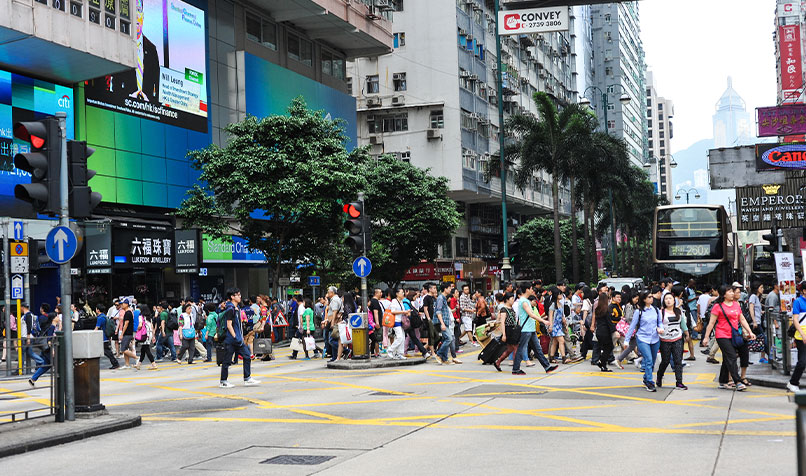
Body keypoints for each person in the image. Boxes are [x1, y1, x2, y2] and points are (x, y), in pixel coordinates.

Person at [702, 284, 756, 391]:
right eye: (730, 292)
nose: (733, 293)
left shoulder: (736, 304)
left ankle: (723, 381)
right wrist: (706, 337)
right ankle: (737, 381)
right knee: (732, 356)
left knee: (727, 358)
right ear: (724, 294)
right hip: (722, 335)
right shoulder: (718, 306)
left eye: (732, 291)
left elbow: (742, 319)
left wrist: (750, 332)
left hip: (734, 334)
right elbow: (711, 323)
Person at [219, 288, 260, 388]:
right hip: (232, 339)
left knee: (247, 356)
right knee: (227, 361)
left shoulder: (236, 308)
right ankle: (223, 381)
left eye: (239, 294)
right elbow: (229, 325)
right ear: (232, 297)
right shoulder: (230, 309)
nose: (239, 296)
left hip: (237, 339)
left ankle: (247, 378)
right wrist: (235, 336)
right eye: (237, 295)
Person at [512, 284, 557, 375]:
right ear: (527, 289)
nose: (532, 290)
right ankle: (515, 369)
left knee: (538, 349)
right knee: (521, 349)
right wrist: (543, 321)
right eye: (531, 289)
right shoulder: (523, 301)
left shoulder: (526, 301)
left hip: (530, 329)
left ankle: (547, 367)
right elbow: (531, 314)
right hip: (526, 329)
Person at [625, 290, 664, 392]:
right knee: (648, 359)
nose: (651, 298)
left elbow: (660, 322)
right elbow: (632, 326)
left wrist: (660, 328)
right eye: (649, 297)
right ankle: (650, 382)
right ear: (644, 299)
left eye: (652, 296)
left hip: (655, 338)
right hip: (642, 338)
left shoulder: (656, 310)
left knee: (652, 361)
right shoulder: (639, 312)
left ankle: (646, 378)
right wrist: (626, 340)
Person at [657, 293, 688, 390]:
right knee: (665, 361)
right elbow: (657, 324)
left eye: (670, 298)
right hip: (665, 339)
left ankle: (679, 382)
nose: (668, 300)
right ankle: (659, 377)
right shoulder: (661, 312)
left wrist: (687, 334)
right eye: (666, 299)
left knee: (678, 361)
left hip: (677, 339)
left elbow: (682, 324)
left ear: (674, 301)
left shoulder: (678, 311)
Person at [493, 293, 520, 372]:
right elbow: (502, 322)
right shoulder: (504, 309)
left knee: (510, 349)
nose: (513, 301)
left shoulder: (511, 308)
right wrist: (504, 335)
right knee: (515, 348)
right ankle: (516, 367)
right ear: (507, 300)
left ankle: (498, 362)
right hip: (508, 330)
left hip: (513, 329)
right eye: (511, 299)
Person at [787, 281, 806, 393]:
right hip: (801, 336)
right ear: (804, 291)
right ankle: (793, 382)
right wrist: (803, 334)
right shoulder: (798, 302)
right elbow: (795, 320)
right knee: (802, 362)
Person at [591, 292, 616, 372]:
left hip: (599, 331)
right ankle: (602, 362)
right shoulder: (607, 310)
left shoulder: (597, 309)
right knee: (609, 347)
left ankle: (602, 363)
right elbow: (609, 322)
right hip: (605, 331)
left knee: (605, 348)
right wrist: (614, 330)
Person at [434, 283, 455, 365]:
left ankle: (445, 358)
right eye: (449, 288)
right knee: (449, 338)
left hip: (445, 322)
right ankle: (439, 354)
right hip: (441, 322)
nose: (450, 289)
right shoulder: (440, 298)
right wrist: (442, 323)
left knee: (445, 339)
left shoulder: (443, 298)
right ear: (445, 289)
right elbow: (438, 311)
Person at [387, 288, 411, 360]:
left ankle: (399, 354)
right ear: (397, 294)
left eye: (403, 292)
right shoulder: (394, 301)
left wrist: (406, 312)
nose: (403, 294)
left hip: (400, 322)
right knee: (400, 337)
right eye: (401, 292)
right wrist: (403, 312)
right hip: (395, 321)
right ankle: (390, 350)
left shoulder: (401, 301)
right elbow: (393, 311)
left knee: (403, 338)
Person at [94, 303, 119, 369]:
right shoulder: (104, 316)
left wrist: (91, 334)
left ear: (98, 310)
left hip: (103, 337)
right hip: (105, 336)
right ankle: (115, 363)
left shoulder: (100, 318)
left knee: (107, 351)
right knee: (106, 351)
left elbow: (97, 328)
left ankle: (115, 363)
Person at [748, 282, 769, 364]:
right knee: (764, 339)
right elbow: (751, 308)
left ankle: (763, 357)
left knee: (756, 340)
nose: (762, 289)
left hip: (757, 321)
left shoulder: (757, 297)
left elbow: (757, 310)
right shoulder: (753, 297)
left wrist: (762, 312)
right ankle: (770, 357)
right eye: (761, 287)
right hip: (755, 323)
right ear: (757, 288)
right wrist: (754, 321)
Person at [547, 290, 568, 364]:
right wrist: (551, 326)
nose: (561, 295)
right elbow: (550, 316)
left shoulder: (560, 304)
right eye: (560, 294)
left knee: (555, 342)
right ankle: (564, 358)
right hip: (555, 326)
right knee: (561, 341)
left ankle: (551, 357)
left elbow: (562, 316)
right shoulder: (553, 305)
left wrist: (565, 325)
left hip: (559, 325)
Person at [117, 299, 137, 369]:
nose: (121, 305)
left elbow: (126, 324)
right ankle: (127, 364)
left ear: (127, 304)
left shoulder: (128, 313)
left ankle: (136, 357)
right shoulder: (127, 312)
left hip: (127, 333)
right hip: (128, 333)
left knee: (123, 350)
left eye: (122, 304)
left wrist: (122, 334)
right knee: (125, 348)